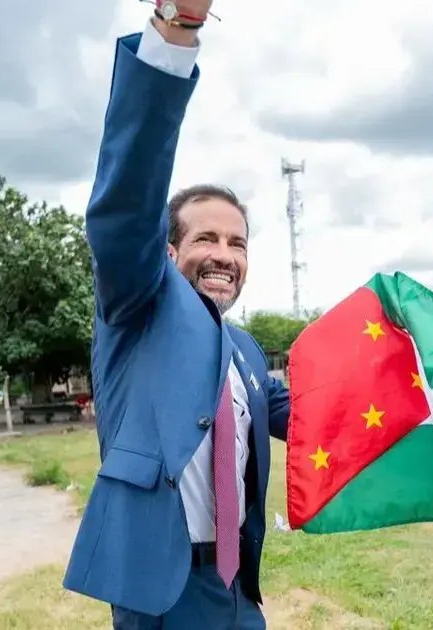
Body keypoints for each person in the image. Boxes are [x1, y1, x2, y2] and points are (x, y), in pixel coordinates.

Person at [61, 3, 290, 628]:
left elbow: (310, 414)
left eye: (237, 244)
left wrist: (430, 392)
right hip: (162, 593)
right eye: (206, 240)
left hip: (238, 590)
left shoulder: (242, 349)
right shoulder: (134, 308)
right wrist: (175, 32)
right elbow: (128, 197)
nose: (224, 256)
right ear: (167, 250)